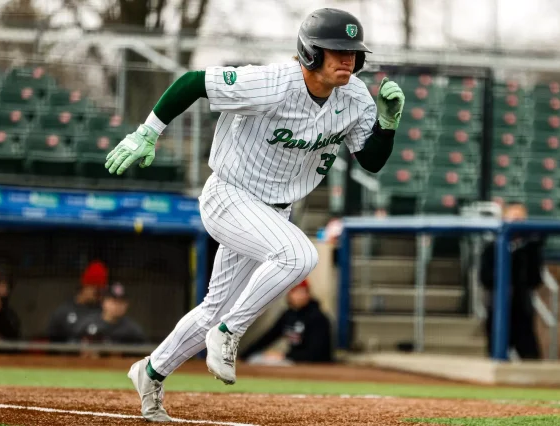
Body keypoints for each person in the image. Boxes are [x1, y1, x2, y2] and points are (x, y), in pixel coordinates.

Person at [104, 8, 404, 421]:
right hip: (229, 195)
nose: (348, 59)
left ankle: (151, 372)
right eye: (337, 50)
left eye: (353, 51)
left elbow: (370, 161)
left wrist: (387, 124)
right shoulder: (272, 83)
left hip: (274, 213)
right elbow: (194, 82)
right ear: (311, 52)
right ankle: (229, 333)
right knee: (298, 256)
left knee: (214, 308)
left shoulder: (354, 98)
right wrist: (147, 132)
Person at [480, 203, 544, 360]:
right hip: (498, 308)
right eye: (514, 218)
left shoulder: (530, 249)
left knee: (530, 355)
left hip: (522, 308)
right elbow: (484, 278)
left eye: (521, 219)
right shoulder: (492, 248)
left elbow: (535, 279)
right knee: (496, 355)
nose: (517, 223)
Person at [240, 280, 333, 365]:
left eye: (303, 292)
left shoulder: (318, 318)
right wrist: (244, 356)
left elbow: (316, 352)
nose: (300, 296)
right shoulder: (288, 315)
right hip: (293, 360)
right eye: (296, 292)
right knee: (255, 359)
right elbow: (268, 337)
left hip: (313, 364)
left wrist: (285, 356)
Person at [46, 260, 107, 342]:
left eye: (101, 292)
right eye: (96, 291)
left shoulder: (105, 313)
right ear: (85, 286)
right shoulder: (64, 311)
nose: (99, 295)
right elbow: (52, 342)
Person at [74, 282, 146, 346]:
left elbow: (145, 352)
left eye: (121, 302)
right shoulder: (87, 323)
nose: (117, 306)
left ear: (127, 305)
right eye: (113, 301)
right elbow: (70, 346)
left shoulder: (133, 330)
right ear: (103, 302)